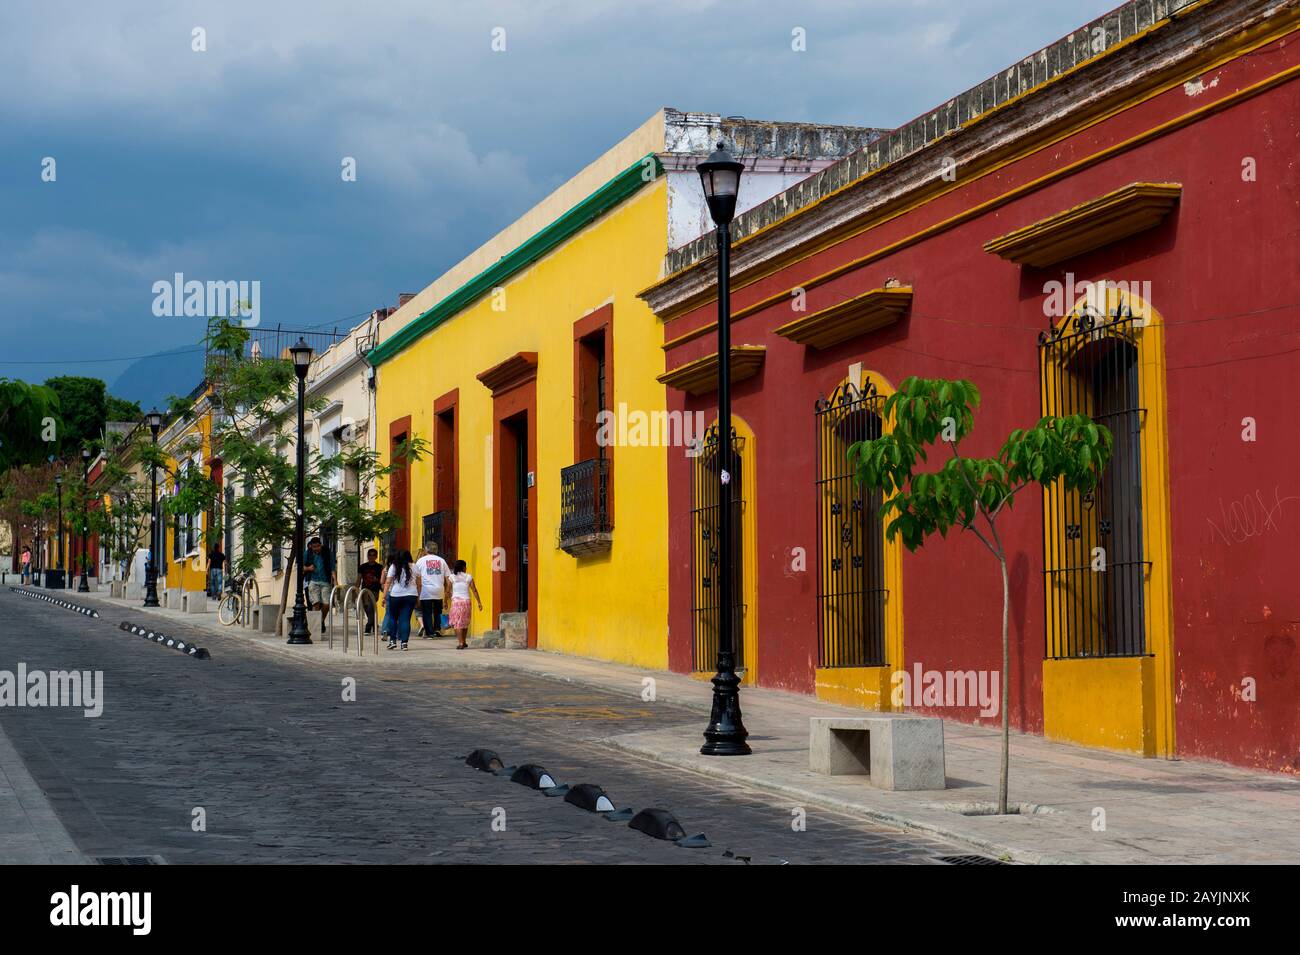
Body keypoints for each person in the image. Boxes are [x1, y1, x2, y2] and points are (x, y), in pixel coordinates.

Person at [383, 549, 421, 650]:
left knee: (393, 618)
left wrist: (384, 596)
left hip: (395, 595)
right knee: (405, 619)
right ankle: (404, 643)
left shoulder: (394, 566)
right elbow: (419, 584)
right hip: (411, 595)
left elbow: (387, 582)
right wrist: (418, 597)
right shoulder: (414, 566)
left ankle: (392, 641)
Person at [414, 541, 451, 639]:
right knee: (438, 611)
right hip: (439, 590)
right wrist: (448, 591)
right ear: (436, 550)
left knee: (427, 612)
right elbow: (448, 578)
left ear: (426, 549)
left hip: (425, 590)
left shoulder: (421, 561)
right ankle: (437, 629)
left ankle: (430, 633)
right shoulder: (442, 561)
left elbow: (416, 576)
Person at [302, 536, 336, 632]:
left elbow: (332, 568)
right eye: (314, 547)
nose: (316, 549)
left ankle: (320, 621)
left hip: (325, 581)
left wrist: (336, 582)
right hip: (313, 580)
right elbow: (302, 567)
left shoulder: (327, 553)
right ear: (311, 547)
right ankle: (315, 626)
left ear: (320, 545)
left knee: (326, 604)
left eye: (317, 546)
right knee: (316, 602)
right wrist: (308, 569)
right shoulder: (307, 553)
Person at [448, 559, 482, 650]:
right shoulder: (468, 577)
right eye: (465, 566)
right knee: (465, 622)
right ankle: (464, 641)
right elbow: (474, 590)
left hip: (456, 602)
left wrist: (445, 602)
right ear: (463, 567)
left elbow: (447, 591)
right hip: (466, 602)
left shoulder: (452, 577)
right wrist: (479, 602)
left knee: (457, 623)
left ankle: (461, 643)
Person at [358, 548, 384, 634]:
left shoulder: (380, 567)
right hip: (364, 590)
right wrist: (355, 589)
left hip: (374, 590)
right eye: (370, 555)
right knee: (367, 608)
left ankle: (368, 627)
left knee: (370, 607)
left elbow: (382, 580)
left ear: (376, 556)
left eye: (373, 555)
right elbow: (359, 579)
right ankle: (374, 623)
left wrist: (378, 581)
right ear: (367, 556)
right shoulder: (362, 567)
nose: (371, 557)